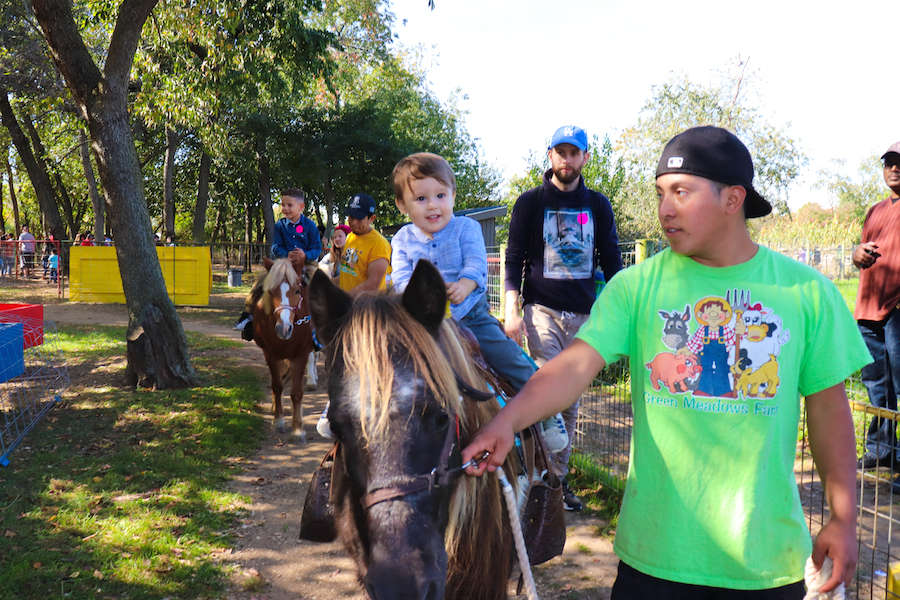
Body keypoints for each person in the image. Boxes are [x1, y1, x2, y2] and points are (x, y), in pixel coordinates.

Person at [464, 126, 868, 599]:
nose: (665, 209)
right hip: (652, 561)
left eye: (681, 192)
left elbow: (828, 409)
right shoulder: (635, 288)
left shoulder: (806, 292)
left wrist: (843, 518)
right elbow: (572, 368)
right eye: (660, 193)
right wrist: (505, 424)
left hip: (765, 565)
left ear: (733, 199)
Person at [504, 125, 623, 510]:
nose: (567, 159)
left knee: (568, 403)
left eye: (574, 153)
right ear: (550, 156)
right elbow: (514, 256)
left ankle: (555, 482)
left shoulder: (599, 206)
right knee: (543, 393)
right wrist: (511, 309)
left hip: (584, 318)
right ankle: (534, 477)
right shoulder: (530, 203)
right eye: (560, 152)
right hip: (542, 312)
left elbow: (612, 262)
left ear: (585, 158)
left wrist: (620, 312)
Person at [390, 152, 536, 394]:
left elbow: (476, 263)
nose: (432, 205)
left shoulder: (466, 228)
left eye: (440, 195)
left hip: (470, 316)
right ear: (402, 204)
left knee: (508, 357)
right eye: (421, 198)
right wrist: (416, 298)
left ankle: (545, 407)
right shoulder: (402, 239)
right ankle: (346, 404)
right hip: (422, 321)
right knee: (382, 350)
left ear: (453, 196)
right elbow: (401, 279)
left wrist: (465, 285)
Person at [853, 141, 900, 473]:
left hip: (897, 311)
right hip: (869, 311)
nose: (894, 168)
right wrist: (855, 254)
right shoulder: (876, 210)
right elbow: (862, 253)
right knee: (877, 387)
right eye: (889, 163)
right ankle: (881, 451)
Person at [234, 188, 322, 334]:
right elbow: (275, 247)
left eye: (289, 205)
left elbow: (316, 249)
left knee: (318, 282)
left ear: (301, 207)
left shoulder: (310, 226)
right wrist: (286, 254)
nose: (285, 208)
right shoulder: (279, 226)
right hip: (284, 264)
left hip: (306, 263)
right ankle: (248, 315)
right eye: (283, 205)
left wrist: (304, 255)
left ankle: (320, 319)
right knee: (261, 279)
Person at [337, 193, 391, 296]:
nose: (353, 222)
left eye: (359, 218)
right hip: (348, 305)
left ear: (372, 218)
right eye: (351, 217)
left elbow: (373, 284)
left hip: (366, 308)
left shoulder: (379, 244)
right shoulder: (350, 237)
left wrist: (344, 300)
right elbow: (348, 274)